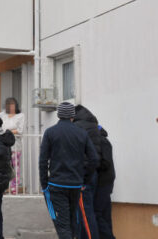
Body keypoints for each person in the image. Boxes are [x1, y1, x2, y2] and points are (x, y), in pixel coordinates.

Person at [39, 102, 99, 239]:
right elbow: (94, 159)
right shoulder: (82, 133)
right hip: (76, 185)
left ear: (59, 115)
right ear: (73, 115)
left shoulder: (50, 132)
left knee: (62, 224)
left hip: (56, 184)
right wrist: (85, 180)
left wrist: (44, 184)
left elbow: (43, 160)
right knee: (73, 221)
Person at [74, 105, 103, 239]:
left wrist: (83, 177)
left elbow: (83, 155)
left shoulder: (79, 127)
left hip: (83, 175)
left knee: (85, 215)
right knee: (87, 211)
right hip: (93, 174)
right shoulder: (93, 126)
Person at [0, 97, 24, 195]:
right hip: (3, 146)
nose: (11, 107)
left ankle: (14, 188)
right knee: (3, 167)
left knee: (15, 167)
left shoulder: (20, 116)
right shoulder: (3, 115)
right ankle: (3, 186)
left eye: (13, 105)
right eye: (9, 105)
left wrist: (7, 132)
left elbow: (20, 130)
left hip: (15, 146)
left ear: (16, 106)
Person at [94, 126, 116, 239]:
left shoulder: (102, 141)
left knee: (96, 213)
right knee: (105, 215)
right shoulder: (103, 140)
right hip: (105, 182)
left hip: (103, 182)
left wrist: (93, 165)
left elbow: (105, 162)